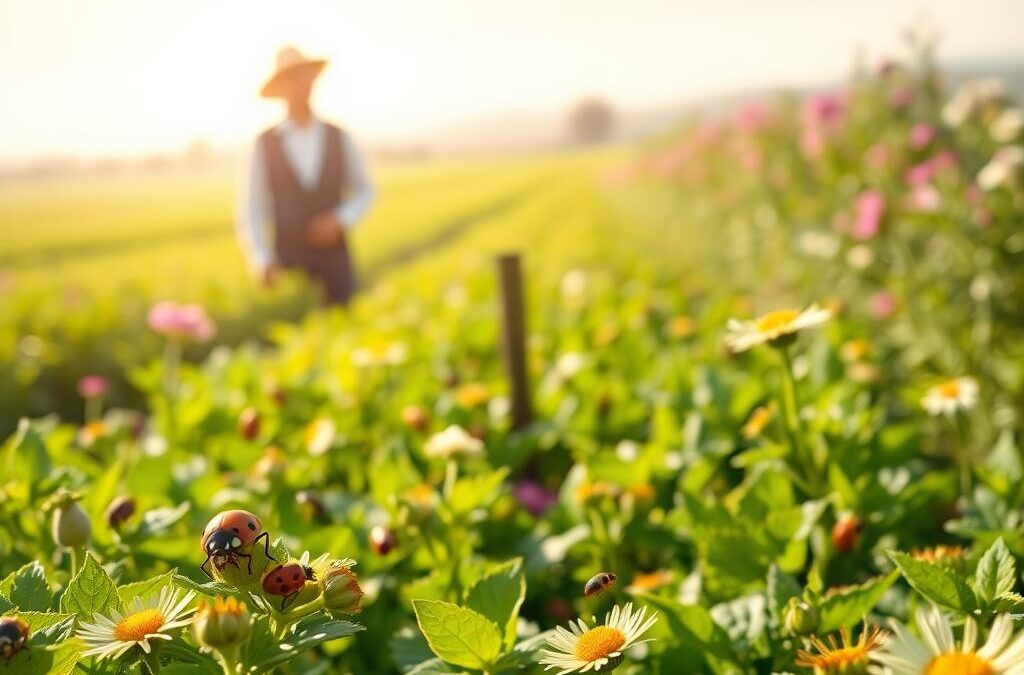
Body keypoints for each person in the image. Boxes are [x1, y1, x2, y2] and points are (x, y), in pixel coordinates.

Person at [237, 47, 375, 305]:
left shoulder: (339, 135)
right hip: (289, 261)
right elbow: (252, 206)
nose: (298, 85)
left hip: (336, 261)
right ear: (280, 88)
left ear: (313, 79)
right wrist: (261, 258)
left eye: (303, 76)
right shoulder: (264, 143)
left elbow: (365, 189)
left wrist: (340, 219)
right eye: (290, 79)